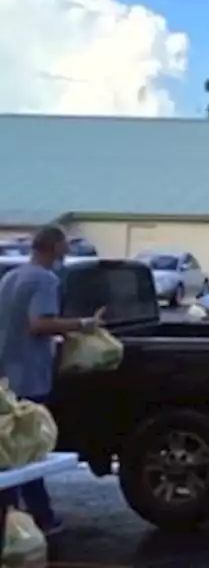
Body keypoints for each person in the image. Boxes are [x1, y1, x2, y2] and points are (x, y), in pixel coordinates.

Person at [0, 225, 104, 536]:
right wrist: (82, 325)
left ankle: (11, 517)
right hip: (30, 375)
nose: (68, 250)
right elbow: (38, 323)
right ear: (54, 246)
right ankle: (41, 517)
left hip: (6, 374)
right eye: (64, 244)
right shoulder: (45, 279)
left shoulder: (11, 277)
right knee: (29, 450)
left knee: (8, 451)